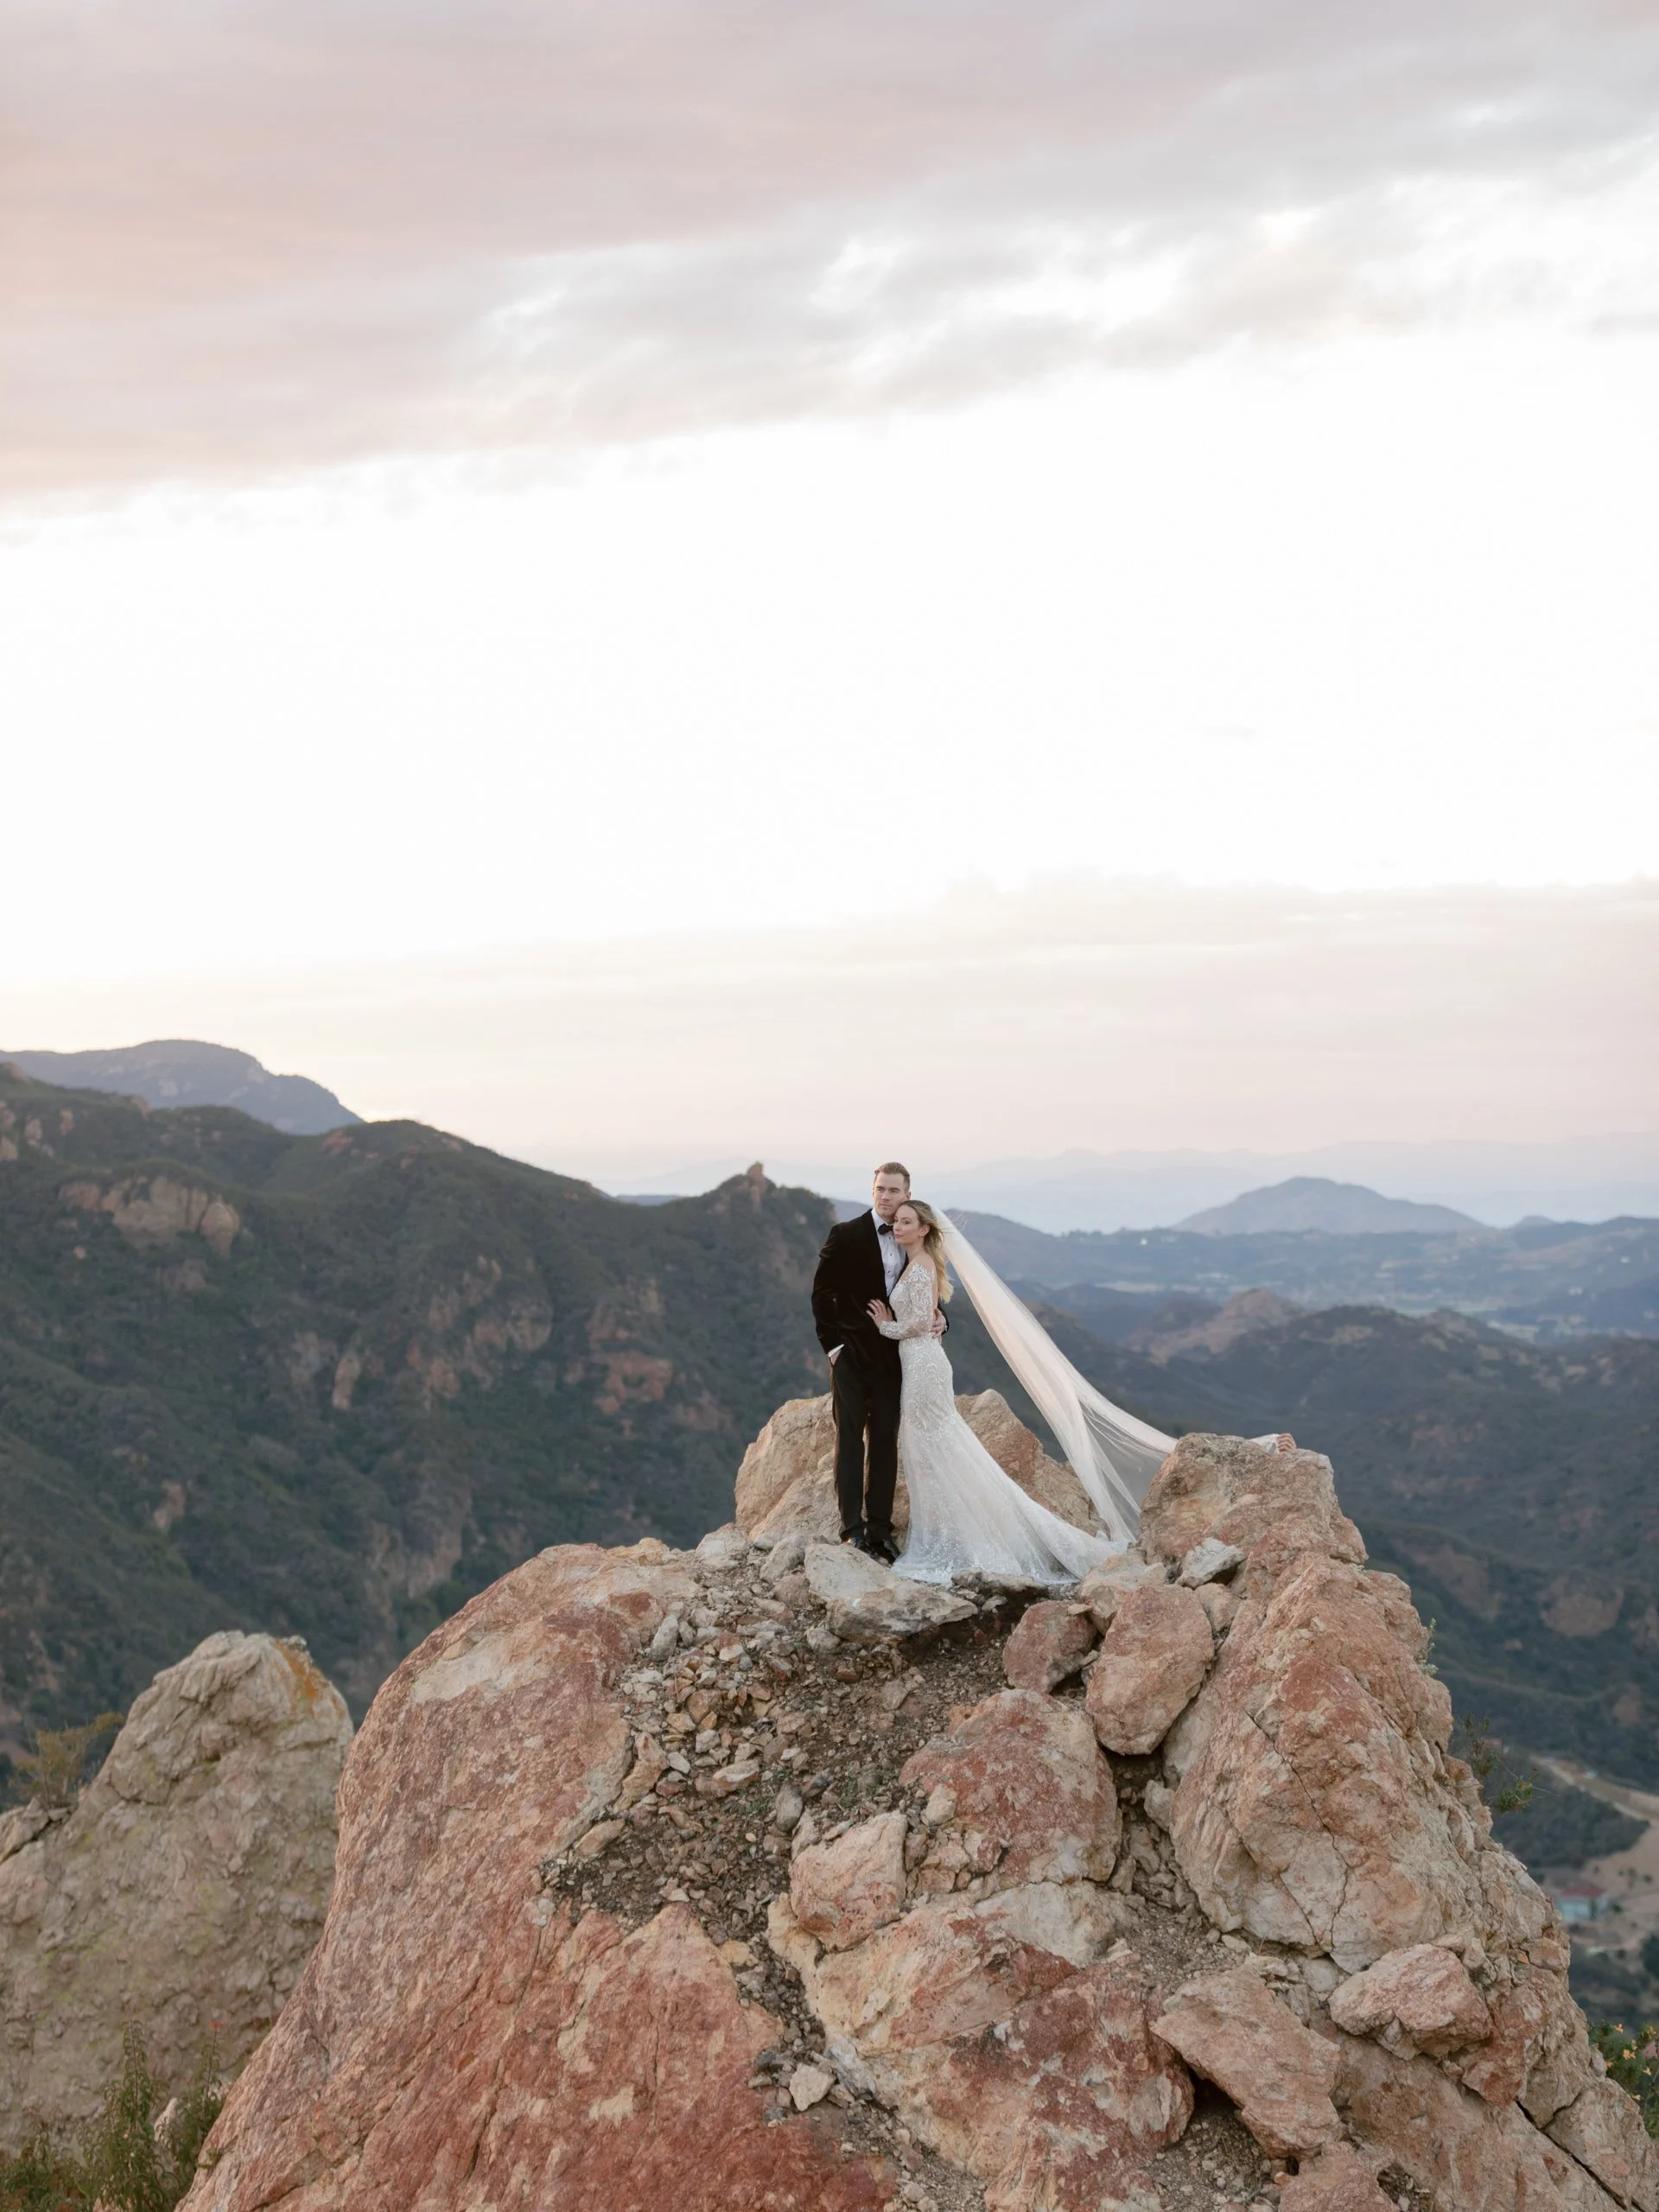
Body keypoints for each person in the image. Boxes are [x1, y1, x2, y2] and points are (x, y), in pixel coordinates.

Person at [868, 1199, 1122, 1584]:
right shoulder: (917, 1264)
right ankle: (959, 1530)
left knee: (932, 1447)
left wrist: (886, 1325)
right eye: (897, 1222)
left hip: (923, 1366)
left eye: (906, 1222)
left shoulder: (919, 1267)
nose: (897, 1227)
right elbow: (929, 1316)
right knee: (934, 1448)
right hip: (921, 1363)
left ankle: (965, 1538)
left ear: (924, 1230)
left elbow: (920, 1322)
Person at [810, 1162, 944, 1560]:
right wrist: (834, 1349)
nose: (885, 1197)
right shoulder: (846, 1234)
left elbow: (928, 1291)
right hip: (851, 1355)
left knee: (885, 1440)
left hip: (895, 1357)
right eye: (880, 1189)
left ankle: (881, 1530)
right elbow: (821, 1294)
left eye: (893, 1191)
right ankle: (852, 1529)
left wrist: (941, 1320)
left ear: (907, 1194)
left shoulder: (911, 1238)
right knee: (849, 1440)